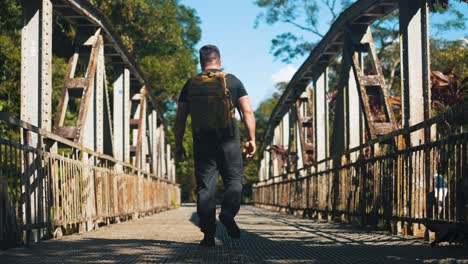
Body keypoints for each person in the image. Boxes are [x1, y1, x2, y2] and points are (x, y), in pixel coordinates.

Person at [174, 44, 256, 247]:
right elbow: (247, 112)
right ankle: (227, 213)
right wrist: (251, 138)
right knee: (235, 180)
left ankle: (208, 235)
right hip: (228, 140)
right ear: (219, 60)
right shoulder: (232, 81)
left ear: (201, 62)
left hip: (202, 141)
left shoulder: (190, 84)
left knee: (205, 188)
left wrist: (178, 143)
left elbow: (180, 118)